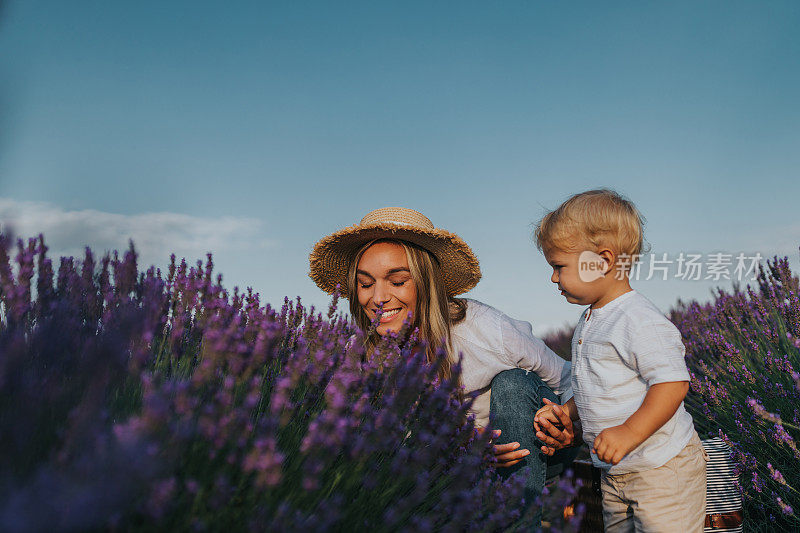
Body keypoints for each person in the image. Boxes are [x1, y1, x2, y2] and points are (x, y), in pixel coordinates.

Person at [309, 207, 577, 524]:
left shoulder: (482, 328)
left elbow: (569, 378)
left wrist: (567, 421)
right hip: (455, 467)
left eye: (397, 281)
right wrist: (458, 442)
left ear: (427, 282)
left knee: (513, 382)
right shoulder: (361, 356)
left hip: (536, 448)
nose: (379, 297)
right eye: (365, 284)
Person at [533, 189, 707, 532]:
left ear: (603, 261)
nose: (553, 277)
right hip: (616, 472)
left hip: (662, 468)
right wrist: (566, 412)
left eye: (559, 266)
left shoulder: (637, 319)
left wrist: (630, 431)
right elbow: (599, 390)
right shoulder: (590, 320)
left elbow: (672, 384)